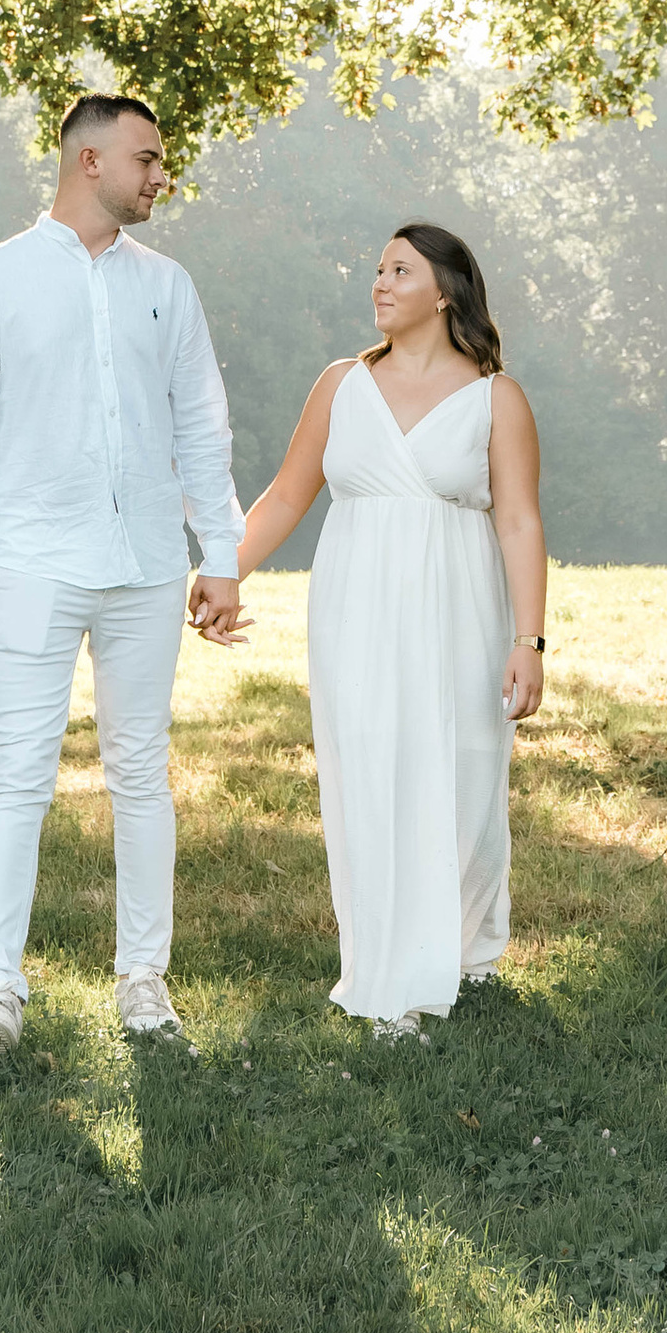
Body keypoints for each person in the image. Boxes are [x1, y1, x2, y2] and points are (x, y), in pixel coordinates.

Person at [0, 93, 243, 1066]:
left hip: (148, 566)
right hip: (33, 564)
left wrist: (218, 556)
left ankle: (143, 982)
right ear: (89, 159)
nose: (160, 177)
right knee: (17, 777)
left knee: (142, 775)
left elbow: (201, 423)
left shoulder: (168, 284)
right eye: (147, 159)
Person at [226, 224, 546, 1035]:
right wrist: (224, 572)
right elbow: (287, 495)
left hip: (460, 605)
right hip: (356, 603)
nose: (379, 282)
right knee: (367, 767)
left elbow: (518, 521)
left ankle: (466, 948)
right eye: (376, 269)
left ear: (443, 292)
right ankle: (387, 967)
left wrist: (529, 641)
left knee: (463, 775)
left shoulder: (496, 397)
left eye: (399, 270)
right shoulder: (341, 384)